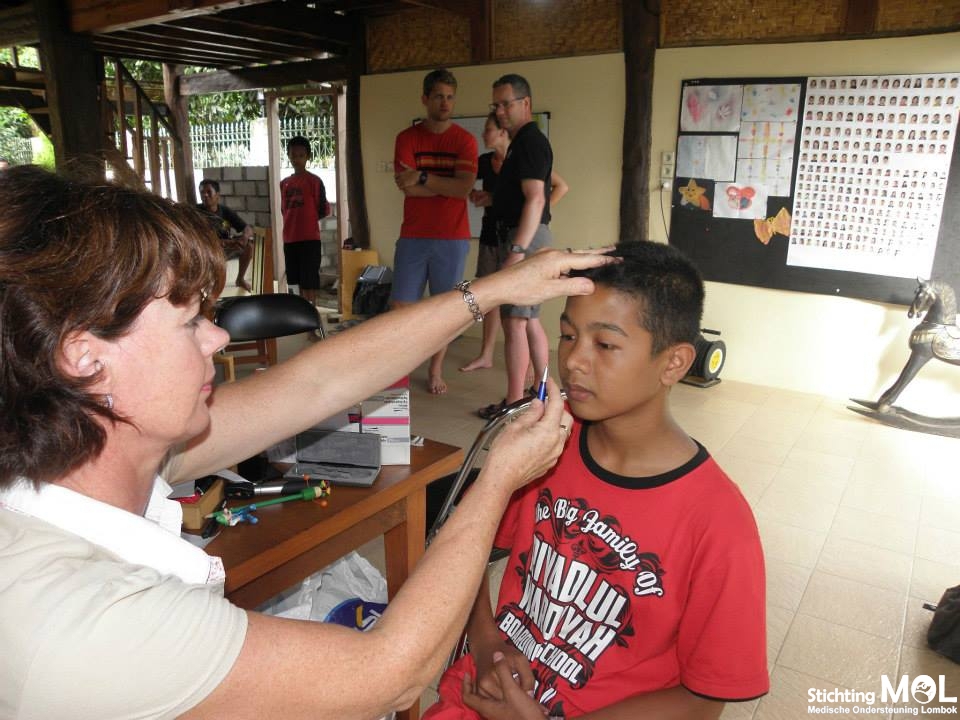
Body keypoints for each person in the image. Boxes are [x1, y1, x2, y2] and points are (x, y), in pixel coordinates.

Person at [0, 165, 618, 720]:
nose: (217, 337)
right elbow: (390, 674)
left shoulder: (84, 447)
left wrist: (492, 291)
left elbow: (316, 380)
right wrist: (498, 481)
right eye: (189, 321)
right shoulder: (88, 621)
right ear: (84, 359)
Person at [424, 241, 768, 720]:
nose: (575, 362)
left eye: (605, 345)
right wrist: (486, 642)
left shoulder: (718, 524)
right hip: (479, 694)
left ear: (673, 362)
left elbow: (704, 699)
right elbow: (467, 546)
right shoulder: (546, 447)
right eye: (568, 336)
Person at [461, 113, 569, 378]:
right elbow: (470, 187)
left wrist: (533, 220)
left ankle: (523, 392)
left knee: (519, 319)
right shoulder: (488, 163)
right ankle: (520, 379)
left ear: (503, 132)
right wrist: (484, 198)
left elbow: (555, 189)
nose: (483, 134)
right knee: (501, 303)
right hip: (495, 235)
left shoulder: (522, 156)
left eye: (487, 129)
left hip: (519, 239)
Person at [392, 68, 478, 395]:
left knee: (445, 309)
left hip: (453, 237)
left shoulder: (465, 140)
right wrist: (447, 186)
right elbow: (407, 188)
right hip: (414, 235)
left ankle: (435, 368)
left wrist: (425, 178)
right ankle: (399, 365)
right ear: (425, 99)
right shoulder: (407, 138)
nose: (445, 103)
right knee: (402, 307)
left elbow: (463, 189)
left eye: (450, 97)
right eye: (439, 96)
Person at [485, 74, 554, 417]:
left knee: (515, 322)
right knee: (527, 321)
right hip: (521, 236)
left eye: (505, 104)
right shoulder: (519, 142)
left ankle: (514, 403)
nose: (499, 111)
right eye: (495, 105)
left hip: (522, 239)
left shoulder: (530, 142)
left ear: (525, 104)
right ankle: (543, 393)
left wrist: (516, 250)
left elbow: (537, 199)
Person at [280, 135, 330, 305]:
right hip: (290, 239)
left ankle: (311, 314)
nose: (297, 159)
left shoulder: (315, 182)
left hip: (309, 239)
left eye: (301, 155)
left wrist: (306, 221)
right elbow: (283, 210)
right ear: (288, 156)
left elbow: (323, 210)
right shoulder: (284, 183)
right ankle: (296, 313)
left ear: (308, 156)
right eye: (293, 155)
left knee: (309, 281)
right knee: (293, 281)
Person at [197, 178, 254, 292]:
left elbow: (247, 228)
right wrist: (232, 242)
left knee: (248, 247)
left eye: (209, 192)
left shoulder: (224, 211)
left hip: (224, 248)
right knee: (213, 255)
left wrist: (244, 238)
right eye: (202, 193)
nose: (205, 195)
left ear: (218, 195)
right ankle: (209, 285)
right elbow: (207, 240)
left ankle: (240, 279)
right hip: (206, 252)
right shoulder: (197, 212)